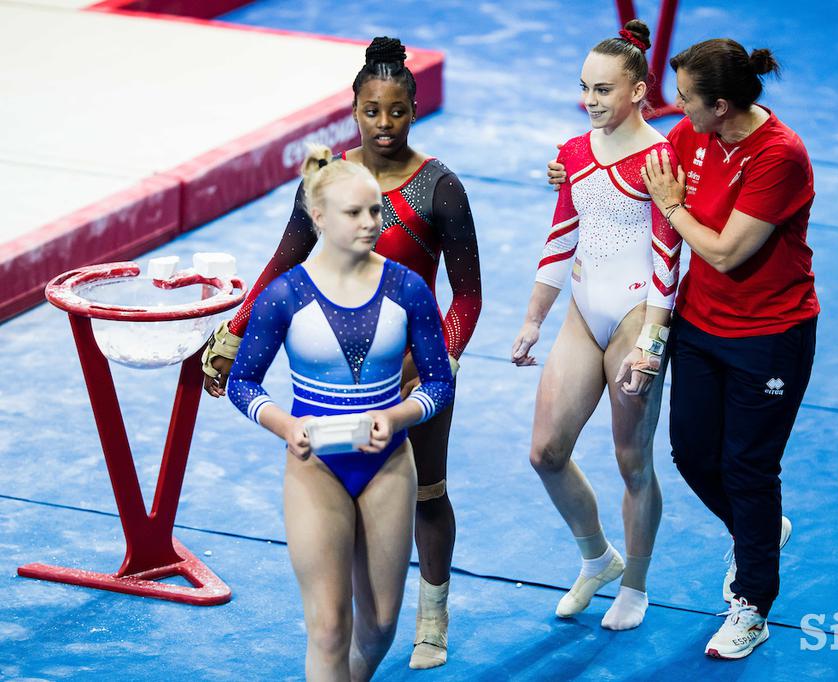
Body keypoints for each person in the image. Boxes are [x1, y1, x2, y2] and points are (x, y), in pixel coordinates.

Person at [204, 37, 482, 669]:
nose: (385, 125)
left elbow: (466, 295)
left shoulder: (440, 187)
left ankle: (431, 617)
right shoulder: (329, 184)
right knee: (329, 622)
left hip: (416, 367)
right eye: (371, 112)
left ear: (415, 108)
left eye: (398, 112)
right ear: (353, 108)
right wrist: (235, 331)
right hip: (336, 390)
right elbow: (284, 264)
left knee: (430, 494)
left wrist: (437, 364)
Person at [551, 37, 817, 658]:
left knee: (748, 468)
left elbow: (724, 251)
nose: (677, 108)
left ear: (721, 105)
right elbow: (624, 173)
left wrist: (672, 204)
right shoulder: (691, 137)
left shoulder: (780, 156)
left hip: (770, 337)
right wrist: (572, 170)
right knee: (695, 455)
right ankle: (759, 533)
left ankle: (751, 604)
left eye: (688, 99)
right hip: (701, 326)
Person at [227, 147, 454, 680]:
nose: (372, 223)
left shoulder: (408, 289)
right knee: (328, 628)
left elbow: (440, 384)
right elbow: (242, 382)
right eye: (355, 213)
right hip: (315, 468)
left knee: (378, 627)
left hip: (388, 467)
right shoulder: (284, 295)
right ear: (320, 217)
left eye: (377, 210)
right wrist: (285, 424)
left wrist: (398, 417)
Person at [511, 20, 682, 632]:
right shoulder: (573, 152)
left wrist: (652, 345)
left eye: (604, 90)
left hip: (638, 314)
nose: (591, 100)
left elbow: (668, 258)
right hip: (584, 311)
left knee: (632, 460)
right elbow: (560, 237)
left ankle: (635, 582)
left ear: (638, 90)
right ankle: (597, 557)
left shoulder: (660, 159)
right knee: (545, 452)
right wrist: (533, 319)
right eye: (585, 87)